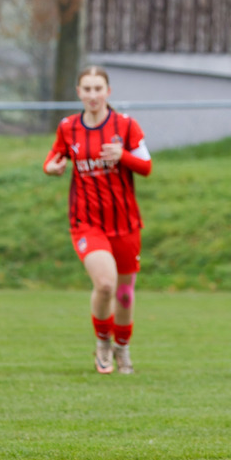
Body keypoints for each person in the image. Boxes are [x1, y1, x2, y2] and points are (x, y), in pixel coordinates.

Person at [43, 66, 152, 375]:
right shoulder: (68, 127)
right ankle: (103, 343)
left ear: (108, 91)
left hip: (125, 222)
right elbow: (52, 159)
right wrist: (51, 168)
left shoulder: (126, 126)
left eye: (98, 88)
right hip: (86, 222)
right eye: (87, 89)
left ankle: (123, 348)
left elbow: (146, 166)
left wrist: (123, 155)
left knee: (124, 294)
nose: (92, 95)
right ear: (79, 92)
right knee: (105, 284)